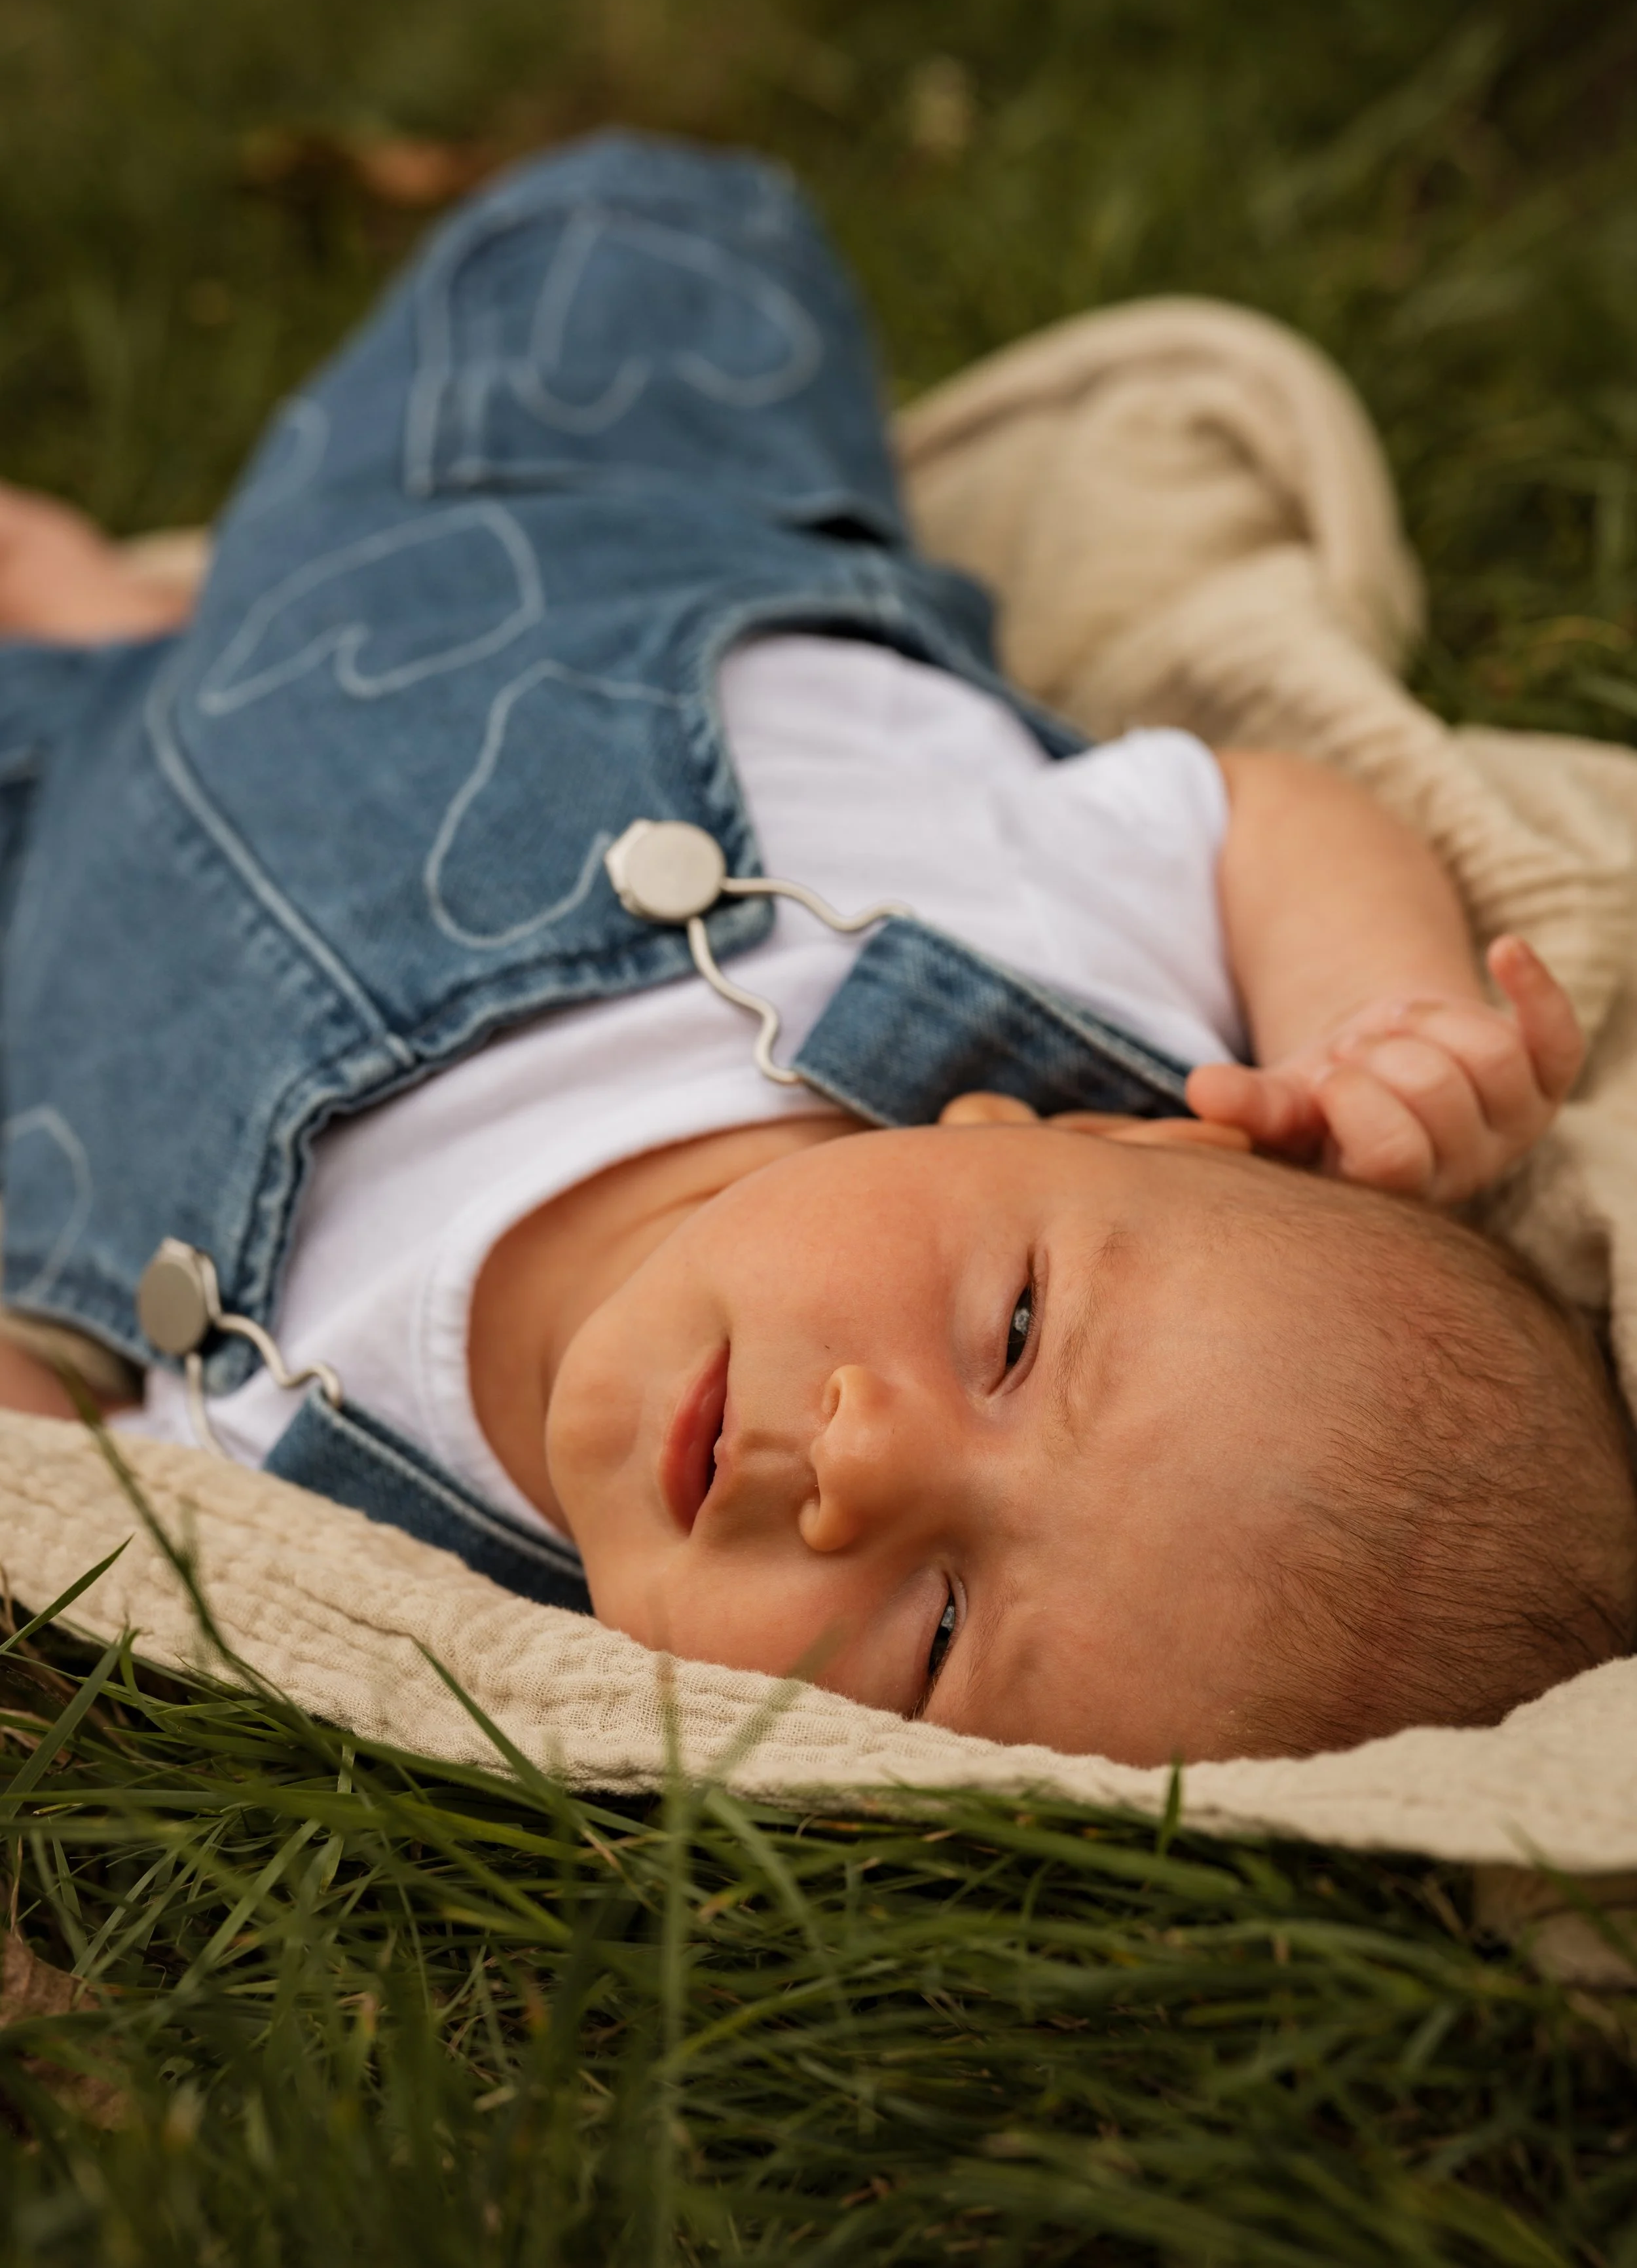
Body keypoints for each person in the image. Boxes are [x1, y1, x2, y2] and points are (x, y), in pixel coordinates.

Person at [1, 134, 1632, 1765]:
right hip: (518, 532)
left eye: (937, 1630)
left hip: (52, 893)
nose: (865, 1463)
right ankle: (151, 624)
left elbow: (73, 1450)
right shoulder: (1057, 976)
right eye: (1008, 1335)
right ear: (1093, 1132)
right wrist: (1376, 1014)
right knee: (635, 238)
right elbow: (1253, 812)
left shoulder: (361, 1540)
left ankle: (103, 655)